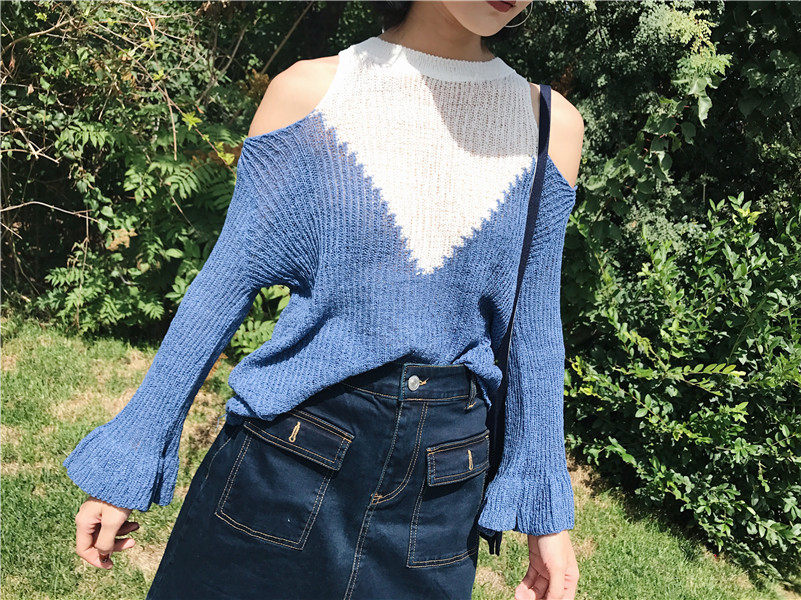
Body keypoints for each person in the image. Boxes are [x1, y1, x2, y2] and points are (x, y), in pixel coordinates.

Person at [63, 1, 584, 598]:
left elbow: (534, 330)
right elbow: (223, 286)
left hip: (438, 501)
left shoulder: (550, 126)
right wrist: (131, 452)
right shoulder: (312, 95)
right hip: (286, 465)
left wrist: (546, 511)